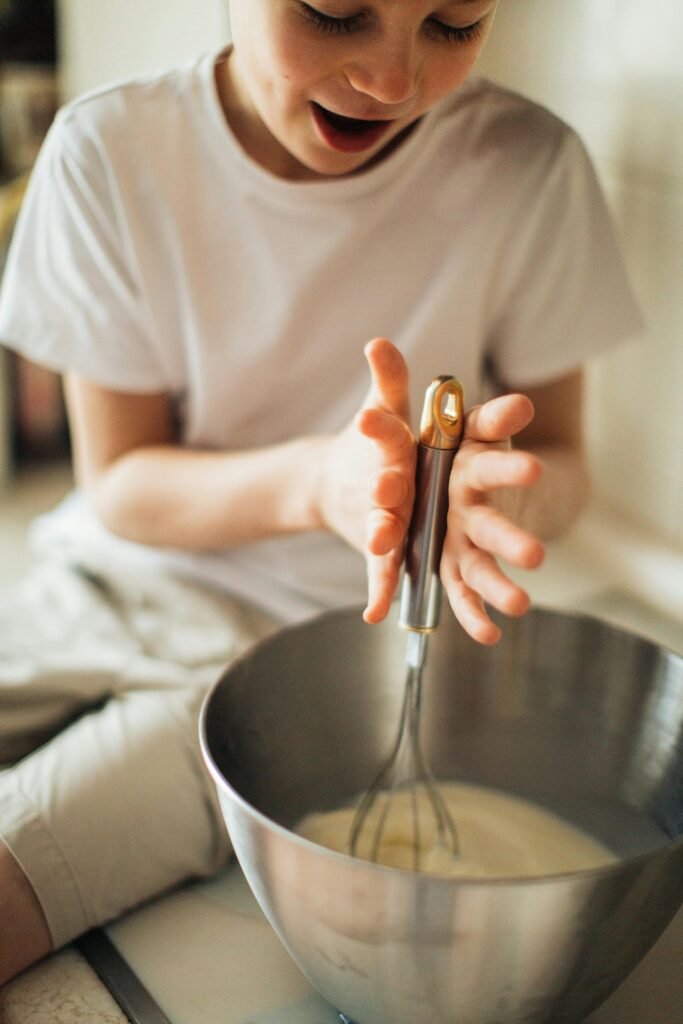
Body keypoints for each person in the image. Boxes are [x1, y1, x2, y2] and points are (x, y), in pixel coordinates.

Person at [0, 0, 642, 985]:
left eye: (453, 24)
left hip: (293, 669)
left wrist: (502, 501)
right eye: (334, 12)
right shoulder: (111, 150)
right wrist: (314, 482)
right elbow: (121, 482)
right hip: (97, 580)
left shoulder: (524, 168)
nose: (392, 80)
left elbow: (559, 456)